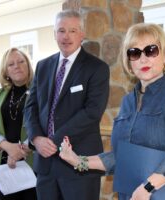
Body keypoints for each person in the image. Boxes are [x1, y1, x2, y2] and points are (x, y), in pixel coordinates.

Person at [59, 23, 165, 200]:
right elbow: (121, 157)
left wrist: (147, 188)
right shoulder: (128, 102)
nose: (143, 59)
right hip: (133, 194)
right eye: (135, 53)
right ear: (129, 63)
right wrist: (78, 161)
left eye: (151, 50)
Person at [24, 9, 110, 200]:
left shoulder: (97, 68)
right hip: (45, 165)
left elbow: (92, 112)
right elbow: (31, 107)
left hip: (79, 164)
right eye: (61, 30)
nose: (66, 36)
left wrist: (53, 140)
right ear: (54, 34)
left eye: (72, 30)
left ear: (82, 34)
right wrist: (37, 138)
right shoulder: (43, 66)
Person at [0, 47, 37, 200]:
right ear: (5, 71)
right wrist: (10, 148)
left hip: (33, 163)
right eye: (11, 64)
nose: (17, 66)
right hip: (5, 167)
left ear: (28, 65)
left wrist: (22, 150)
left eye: (21, 61)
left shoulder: (40, 91)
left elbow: (46, 125)